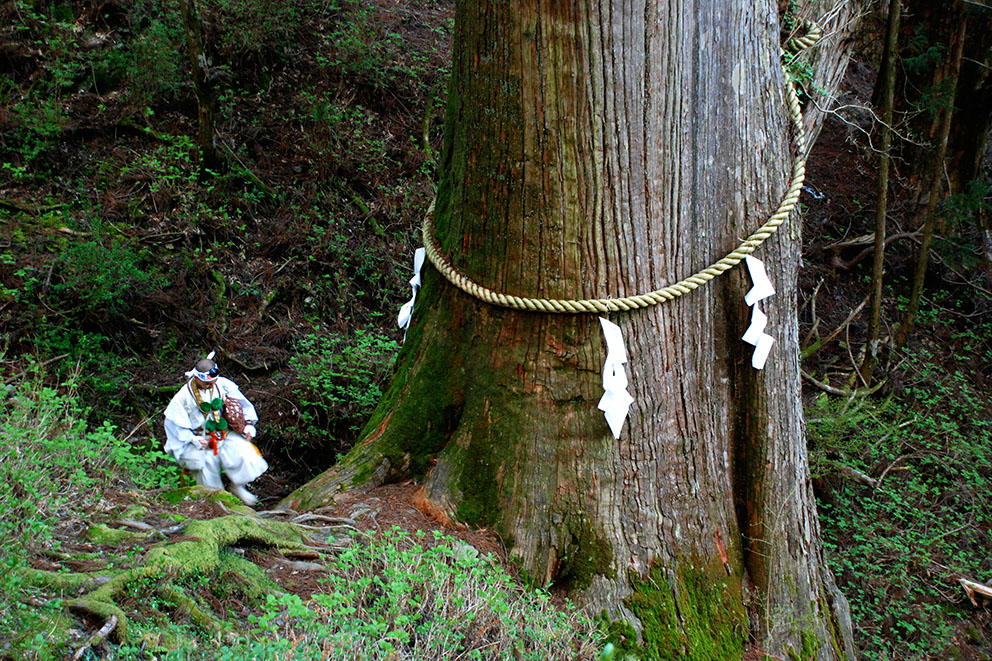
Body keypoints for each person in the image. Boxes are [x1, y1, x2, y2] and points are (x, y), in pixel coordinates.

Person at [163, 351, 268, 506]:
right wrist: (193, 439)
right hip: (197, 438)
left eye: (213, 382)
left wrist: (248, 425)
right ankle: (218, 503)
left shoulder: (222, 385)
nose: (211, 385)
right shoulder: (183, 397)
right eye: (207, 383)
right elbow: (174, 425)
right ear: (197, 378)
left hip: (223, 433)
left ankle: (238, 487)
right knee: (205, 463)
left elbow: (243, 404)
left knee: (244, 453)